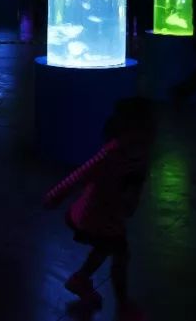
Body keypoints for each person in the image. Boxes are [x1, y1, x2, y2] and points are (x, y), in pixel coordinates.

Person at [44, 97, 154, 321]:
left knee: (105, 248)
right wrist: (55, 194)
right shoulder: (112, 154)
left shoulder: (138, 153)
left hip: (108, 215)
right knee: (120, 255)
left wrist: (130, 202)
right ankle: (123, 306)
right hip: (96, 215)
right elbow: (82, 174)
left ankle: (81, 279)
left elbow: (133, 184)